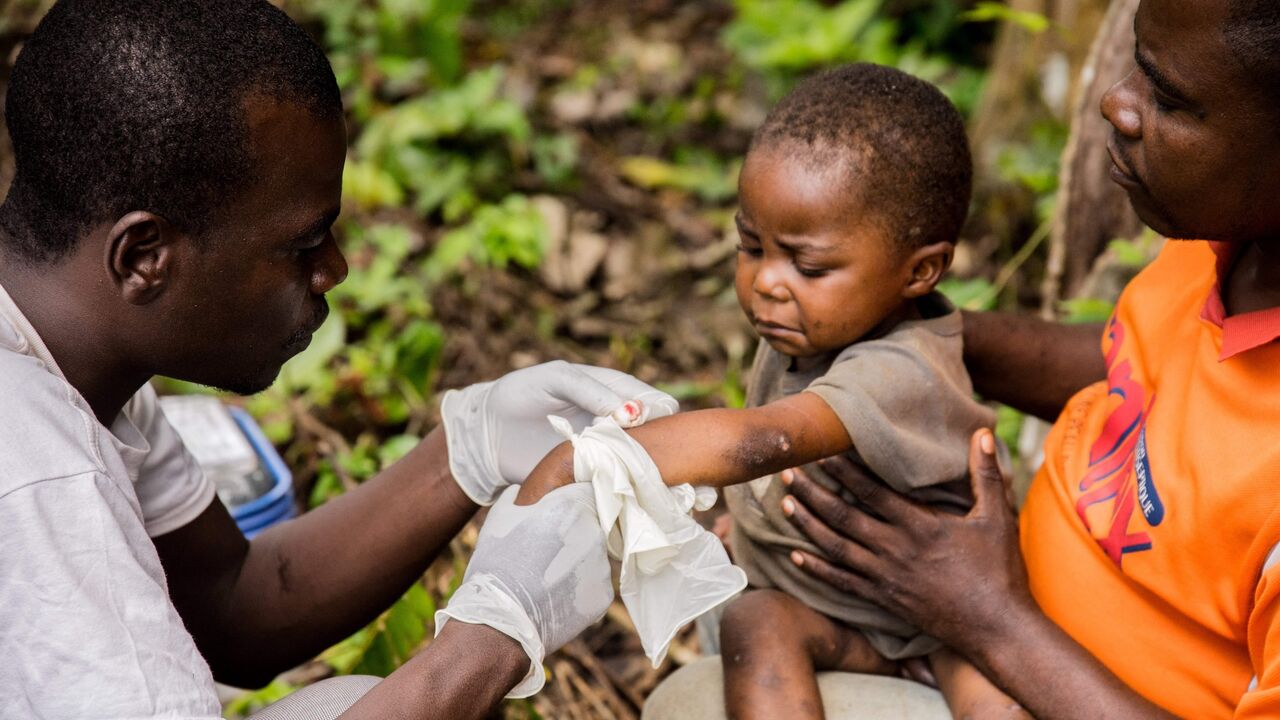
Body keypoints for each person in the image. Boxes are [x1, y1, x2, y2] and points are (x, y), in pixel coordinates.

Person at [0, 1, 676, 718]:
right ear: (144, 258)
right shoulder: (37, 470)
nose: (335, 269)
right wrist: (495, 636)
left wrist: (467, 449)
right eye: (302, 244)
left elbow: (232, 608)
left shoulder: (75, 357)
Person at [771, 0, 1280, 717]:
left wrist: (991, 617)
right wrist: (917, 334)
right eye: (1137, 58)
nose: (1116, 101)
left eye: (1168, 98)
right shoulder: (1232, 242)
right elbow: (1142, 375)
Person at [516, 64, 1024, 719]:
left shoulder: (902, 368)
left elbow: (766, 440)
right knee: (754, 622)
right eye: (751, 246)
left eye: (808, 265)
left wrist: (590, 457)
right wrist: (753, 524)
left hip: (940, 624)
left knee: (994, 697)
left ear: (920, 270)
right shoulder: (803, 327)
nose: (768, 283)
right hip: (840, 612)